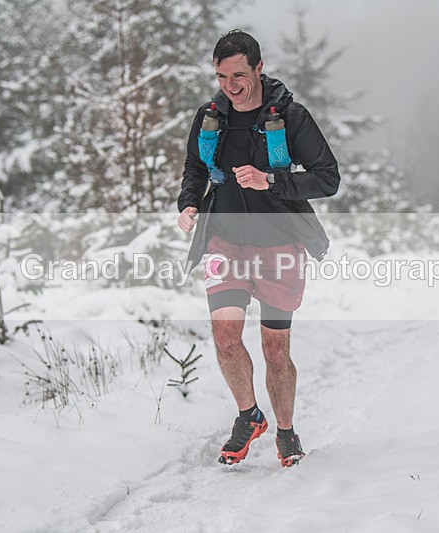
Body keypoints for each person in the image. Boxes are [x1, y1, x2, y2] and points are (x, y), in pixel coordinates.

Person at [177, 30, 340, 467]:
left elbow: (328, 177)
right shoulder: (211, 115)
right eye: (221, 75)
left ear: (258, 67)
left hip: (279, 245)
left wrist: (272, 179)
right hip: (224, 240)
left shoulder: (291, 117)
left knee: (274, 349)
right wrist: (189, 202)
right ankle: (249, 417)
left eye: (238, 74)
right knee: (225, 337)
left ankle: (285, 431)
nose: (230, 85)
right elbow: (195, 165)